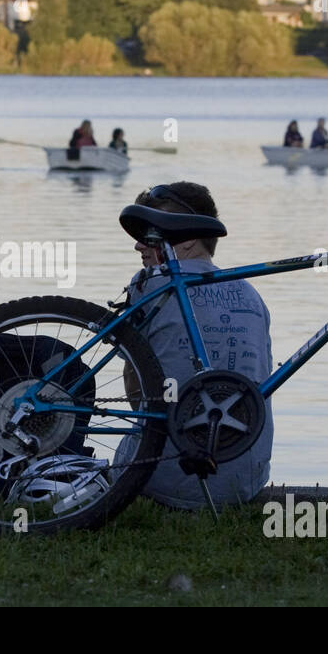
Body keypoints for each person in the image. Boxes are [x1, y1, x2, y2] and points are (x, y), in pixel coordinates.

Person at [114, 182, 275, 509]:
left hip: (156, 479)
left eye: (150, 235)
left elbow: (135, 386)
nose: (138, 246)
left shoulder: (150, 284)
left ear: (185, 240)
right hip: (243, 484)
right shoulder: (252, 296)